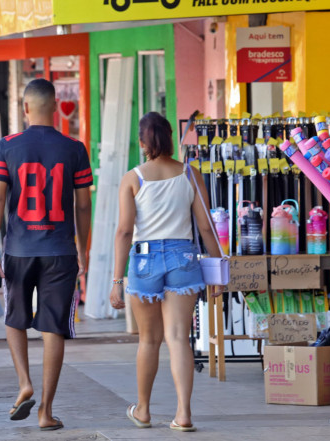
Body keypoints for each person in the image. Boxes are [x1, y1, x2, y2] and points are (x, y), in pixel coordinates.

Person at [0, 78, 93, 431]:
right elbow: (83, 205)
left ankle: (24, 383)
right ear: (56, 106)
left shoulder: (7, 146)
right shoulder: (75, 148)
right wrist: (82, 249)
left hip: (18, 249)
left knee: (14, 318)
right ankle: (46, 411)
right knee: (53, 328)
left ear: (26, 108)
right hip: (60, 251)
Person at [108, 112, 222, 433]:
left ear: (142, 142)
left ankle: (143, 410)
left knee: (149, 340)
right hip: (183, 256)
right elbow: (205, 226)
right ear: (170, 137)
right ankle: (183, 414)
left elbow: (124, 232)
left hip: (144, 259)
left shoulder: (133, 178)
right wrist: (218, 270)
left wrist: (117, 281)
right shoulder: (190, 174)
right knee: (178, 338)